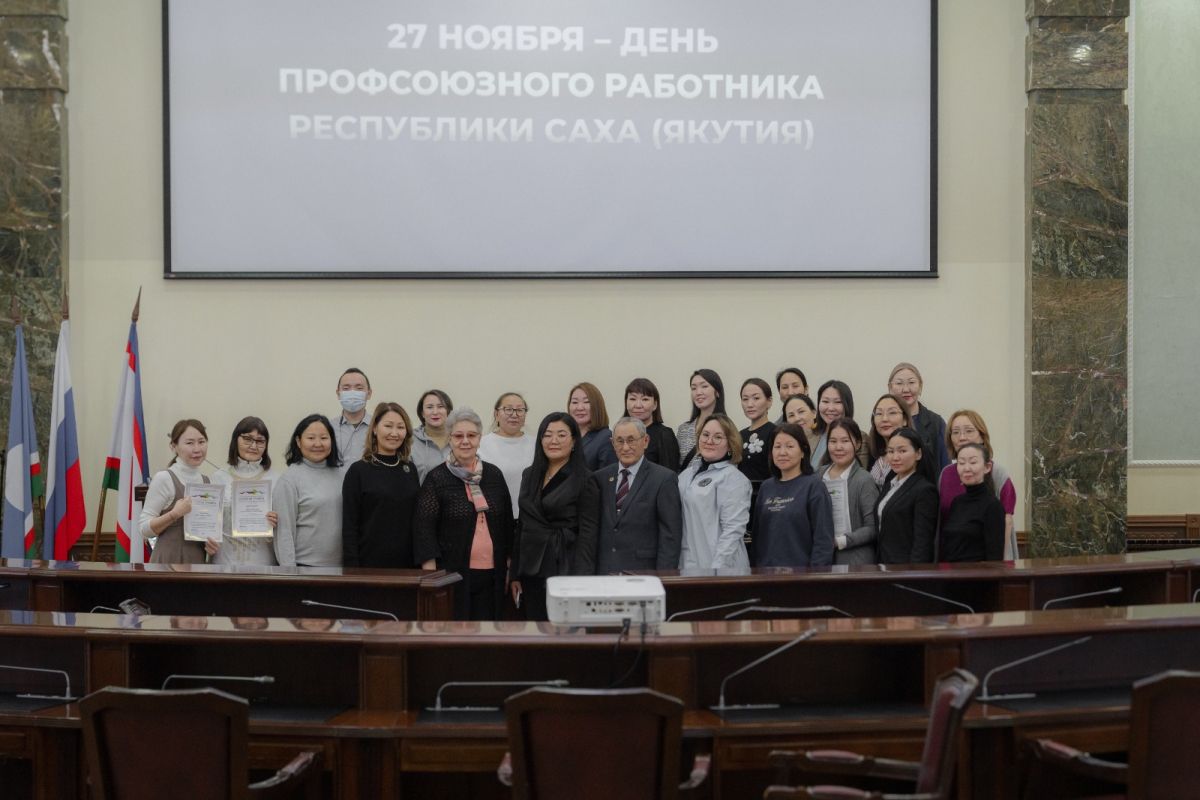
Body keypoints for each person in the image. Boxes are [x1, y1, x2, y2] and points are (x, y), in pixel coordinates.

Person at [413, 408, 512, 620]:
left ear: (479, 438)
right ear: (450, 439)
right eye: (458, 436)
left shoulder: (494, 475)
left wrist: (509, 567)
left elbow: (507, 525)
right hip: (451, 576)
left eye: (471, 435)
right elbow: (424, 530)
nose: (465, 441)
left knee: (488, 632)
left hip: (493, 574)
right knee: (457, 632)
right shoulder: (436, 478)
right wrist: (430, 576)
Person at [511, 412, 601, 620]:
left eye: (561, 435)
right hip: (531, 566)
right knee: (535, 627)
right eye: (547, 435)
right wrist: (515, 572)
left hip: (565, 566)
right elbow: (523, 525)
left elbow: (588, 534)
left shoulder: (585, 479)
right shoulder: (529, 474)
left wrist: (583, 580)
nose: (553, 441)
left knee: (563, 629)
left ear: (574, 441)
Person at [593, 417, 683, 573]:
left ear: (645, 441)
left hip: (644, 572)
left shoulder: (663, 479)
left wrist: (665, 577)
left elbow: (670, 536)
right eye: (619, 441)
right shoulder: (600, 478)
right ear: (612, 443)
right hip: (605, 572)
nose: (625, 447)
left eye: (631, 440)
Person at [342, 402, 421, 568]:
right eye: (388, 426)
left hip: (408, 567)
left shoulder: (410, 469)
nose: (394, 433)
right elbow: (350, 527)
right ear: (375, 429)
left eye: (400, 427)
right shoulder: (358, 471)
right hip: (369, 566)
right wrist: (353, 569)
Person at [940, 409, 1019, 558]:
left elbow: (1006, 521)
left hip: (990, 559)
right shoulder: (946, 474)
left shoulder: (997, 472)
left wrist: (1000, 565)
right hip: (953, 558)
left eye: (969, 431)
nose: (962, 437)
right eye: (955, 432)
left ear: (982, 436)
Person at [754, 423, 834, 568]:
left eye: (789, 446)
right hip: (766, 574)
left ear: (803, 451)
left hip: (802, 575)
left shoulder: (814, 486)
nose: (782, 452)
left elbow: (823, 539)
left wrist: (816, 574)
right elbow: (758, 537)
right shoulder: (766, 487)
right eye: (777, 447)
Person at [678, 413, 751, 570]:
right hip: (688, 566)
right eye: (705, 435)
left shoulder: (733, 479)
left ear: (730, 444)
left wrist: (717, 571)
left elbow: (732, 531)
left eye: (718, 437)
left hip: (721, 569)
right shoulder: (685, 475)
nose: (709, 441)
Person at [140, 419, 215, 564]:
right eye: (189, 443)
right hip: (168, 563)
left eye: (201, 442)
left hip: (197, 561)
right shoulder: (164, 478)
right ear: (173, 446)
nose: (197, 449)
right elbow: (144, 529)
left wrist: (211, 545)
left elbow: (205, 530)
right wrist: (174, 514)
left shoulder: (207, 482)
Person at [273, 414, 343, 567]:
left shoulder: (341, 475)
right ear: (298, 442)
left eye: (324, 438)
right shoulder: (289, 480)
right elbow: (284, 532)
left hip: (340, 568)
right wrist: (289, 572)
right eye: (311, 438)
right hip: (303, 568)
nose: (318, 443)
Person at [210, 416, 280, 566]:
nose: (253, 446)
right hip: (224, 562)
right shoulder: (219, 478)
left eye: (260, 441)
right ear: (236, 439)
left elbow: (286, 529)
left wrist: (277, 522)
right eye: (247, 439)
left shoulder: (276, 479)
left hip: (263, 563)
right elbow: (210, 524)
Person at [819, 419, 880, 565]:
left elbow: (873, 527)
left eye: (845, 441)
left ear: (857, 444)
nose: (838, 447)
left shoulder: (864, 479)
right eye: (833, 441)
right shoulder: (818, 475)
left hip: (856, 560)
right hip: (822, 559)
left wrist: (839, 541)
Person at [874, 428, 938, 564]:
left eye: (902, 451)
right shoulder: (889, 485)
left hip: (905, 569)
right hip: (883, 565)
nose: (895, 457)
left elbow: (923, 543)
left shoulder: (924, 490)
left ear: (918, 454)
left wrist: (913, 573)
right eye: (891, 451)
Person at [939, 442, 1006, 562]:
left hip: (977, 572)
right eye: (961, 463)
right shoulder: (957, 502)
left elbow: (995, 556)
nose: (966, 468)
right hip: (951, 571)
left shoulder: (993, 506)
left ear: (987, 467)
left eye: (973, 462)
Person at [477, 392, 536, 520]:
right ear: (496, 414)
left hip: (530, 519)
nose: (514, 415)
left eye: (520, 410)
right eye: (508, 409)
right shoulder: (480, 444)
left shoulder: (537, 444)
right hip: (493, 517)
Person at [737, 378, 776, 562]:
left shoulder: (775, 432)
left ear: (769, 401)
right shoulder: (739, 435)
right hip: (741, 503)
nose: (750, 404)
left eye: (756, 398)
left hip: (765, 501)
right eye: (745, 399)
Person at [888, 362, 950, 471]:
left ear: (920, 386)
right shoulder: (884, 422)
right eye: (899, 383)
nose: (906, 389)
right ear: (890, 388)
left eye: (911, 382)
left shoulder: (936, 423)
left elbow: (946, 467)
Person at [624, 377, 680, 470]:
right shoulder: (620, 433)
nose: (638, 405)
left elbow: (669, 474)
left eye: (645, 399)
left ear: (655, 405)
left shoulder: (664, 435)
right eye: (633, 399)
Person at [677, 369, 726, 469]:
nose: (698, 392)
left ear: (717, 392)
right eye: (694, 388)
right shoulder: (683, 429)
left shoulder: (726, 428)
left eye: (704, 386)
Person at [811, 380, 865, 468]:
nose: (830, 408)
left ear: (847, 405)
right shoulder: (810, 434)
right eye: (825, 401)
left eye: (838, 402)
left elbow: (857, 472)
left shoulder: (861, 438)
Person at [567, 382, 617, 471]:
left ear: (597, 406)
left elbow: (607, 475)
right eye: (574, 402)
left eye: (586, 402)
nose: (579, 407)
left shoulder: (605, 438)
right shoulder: (567, 436)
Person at [867, 393, 914, 486]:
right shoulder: (872, 454)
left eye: (892, 413)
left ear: (905, 419)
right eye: (879, 413)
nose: (884, 419)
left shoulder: (913, 454)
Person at [333, 368, 372, 471]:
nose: (352, 392)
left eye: (359, 388)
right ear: (338, 393)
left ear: (369, 394)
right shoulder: (328, 428)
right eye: (346, 388)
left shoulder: (379, 426)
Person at [410, 389, 453, 483]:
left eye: (440, 406)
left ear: (448, 411)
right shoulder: (410, 440)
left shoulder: (458, 438)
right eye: (429, 407)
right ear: (422, 413)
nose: (435, 412)